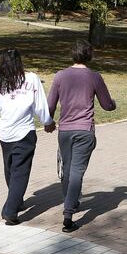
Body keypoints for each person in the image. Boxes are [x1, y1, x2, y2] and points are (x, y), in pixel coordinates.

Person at [45, 39, 116, 233]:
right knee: (76, 172)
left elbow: (50, 104)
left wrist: (48, 122)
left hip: (65, 130)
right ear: (89, 56)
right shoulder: (94, 77)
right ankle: (68, 214)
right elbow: (106, 104)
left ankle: (72, 202)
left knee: (68, 170)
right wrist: (113, 104)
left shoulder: (60, 76)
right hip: (84, 130)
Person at [0, 48, 54, 226]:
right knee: (20, 172)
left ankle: (16, 200)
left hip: (5, 131)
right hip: (24, 131)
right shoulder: (32, 78)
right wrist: (47, 122)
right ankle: (10, 211)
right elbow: (40, 105)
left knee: (10, 169)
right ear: (20, 61)